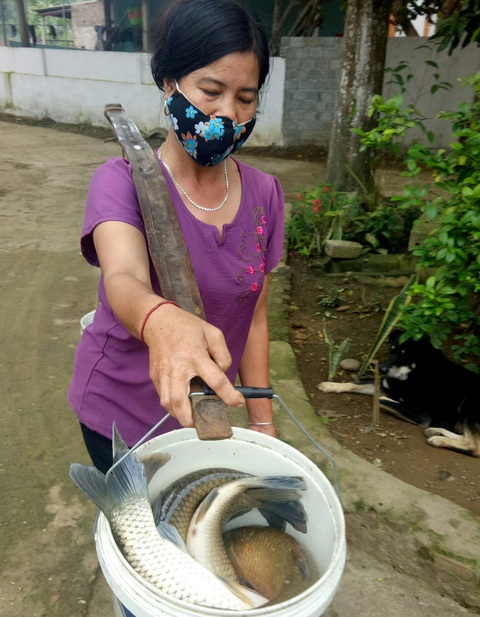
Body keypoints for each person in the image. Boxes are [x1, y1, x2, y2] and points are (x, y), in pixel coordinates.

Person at [68, 0, 285, 474]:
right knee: (142, 519)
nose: (228, 114)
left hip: (204, 418)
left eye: (246, 98)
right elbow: (122, 277)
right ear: (170, 82)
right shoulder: (121, 181)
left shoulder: (265, 194)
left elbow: (256, 315)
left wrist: (262, 420)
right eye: (211, 91)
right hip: (121, 418)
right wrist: (162, 320)